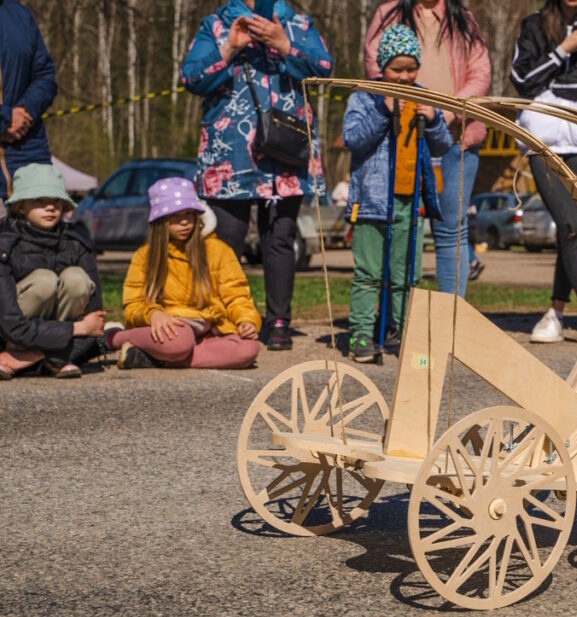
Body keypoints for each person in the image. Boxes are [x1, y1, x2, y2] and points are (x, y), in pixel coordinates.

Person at [181, 0, 333, 351]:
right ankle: (228, 317)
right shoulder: (215, 26)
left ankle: (279, 321)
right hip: (230, 153)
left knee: (280, 237)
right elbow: (191, 77)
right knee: (227, 238)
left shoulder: (298, 24)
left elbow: (324, 68)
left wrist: (284, 45)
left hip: (286, 149)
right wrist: (230, 47)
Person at [365, 0, 491, 298]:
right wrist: (405, 110)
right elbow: (374, 68)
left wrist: (447, 113)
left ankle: (451, 317)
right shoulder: (388, 15)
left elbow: (480, 75)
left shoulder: (464, 20)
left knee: (452, 231)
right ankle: (398, 315)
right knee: (399, 227)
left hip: (455, 140)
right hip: (402, 140)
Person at [510, 0, 577, 348]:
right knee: (568, 223)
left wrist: (549, 90)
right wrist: (562, 51)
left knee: (571, 227)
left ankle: (555, 311)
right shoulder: (533, 25)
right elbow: (522, 80)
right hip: (541, 138)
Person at [344, 25, 452, 362]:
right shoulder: (364, 95)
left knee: (407, 274)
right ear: (382, 67)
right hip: (373, 202)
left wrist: (434, 120)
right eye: (396, 69)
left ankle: (404, 330)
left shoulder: (425, 97)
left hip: (411, 202)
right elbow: (353, 140)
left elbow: (444, 145)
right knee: (369, 273)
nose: (404, 77)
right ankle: (362, 333)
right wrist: (382, 111)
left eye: (410, 69)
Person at [105, 178, 261, 370]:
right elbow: (133, 305)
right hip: (172, 329)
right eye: (176, 216)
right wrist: (153, 314)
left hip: (210, 328)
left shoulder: (219, 250)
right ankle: (115, 337)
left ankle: (156, 359)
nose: (185, 221)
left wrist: (246, 321)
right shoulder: (144, 256)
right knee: (180, 341)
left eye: (189, 214)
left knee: (248, 349)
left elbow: (237, 295)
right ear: (161, 221)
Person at [0, 164, 105, 379]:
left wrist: (38, 353)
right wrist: (77, 330)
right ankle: (41, 356)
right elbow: (11, 325)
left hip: (53, 340)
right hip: (11, 335)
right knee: (44, 281)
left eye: (56, 200)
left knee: (77, 279)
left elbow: (95, 322)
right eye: (39, 200)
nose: (50, 207)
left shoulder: (77, 240)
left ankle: (36, 359)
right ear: (20, 207)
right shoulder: (5, 244)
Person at [0, 0, 58, 216]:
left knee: (39, 247)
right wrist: (4, 119)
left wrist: (25, 110)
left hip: (30, 163)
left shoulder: (20, 16)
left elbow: (45, 76)